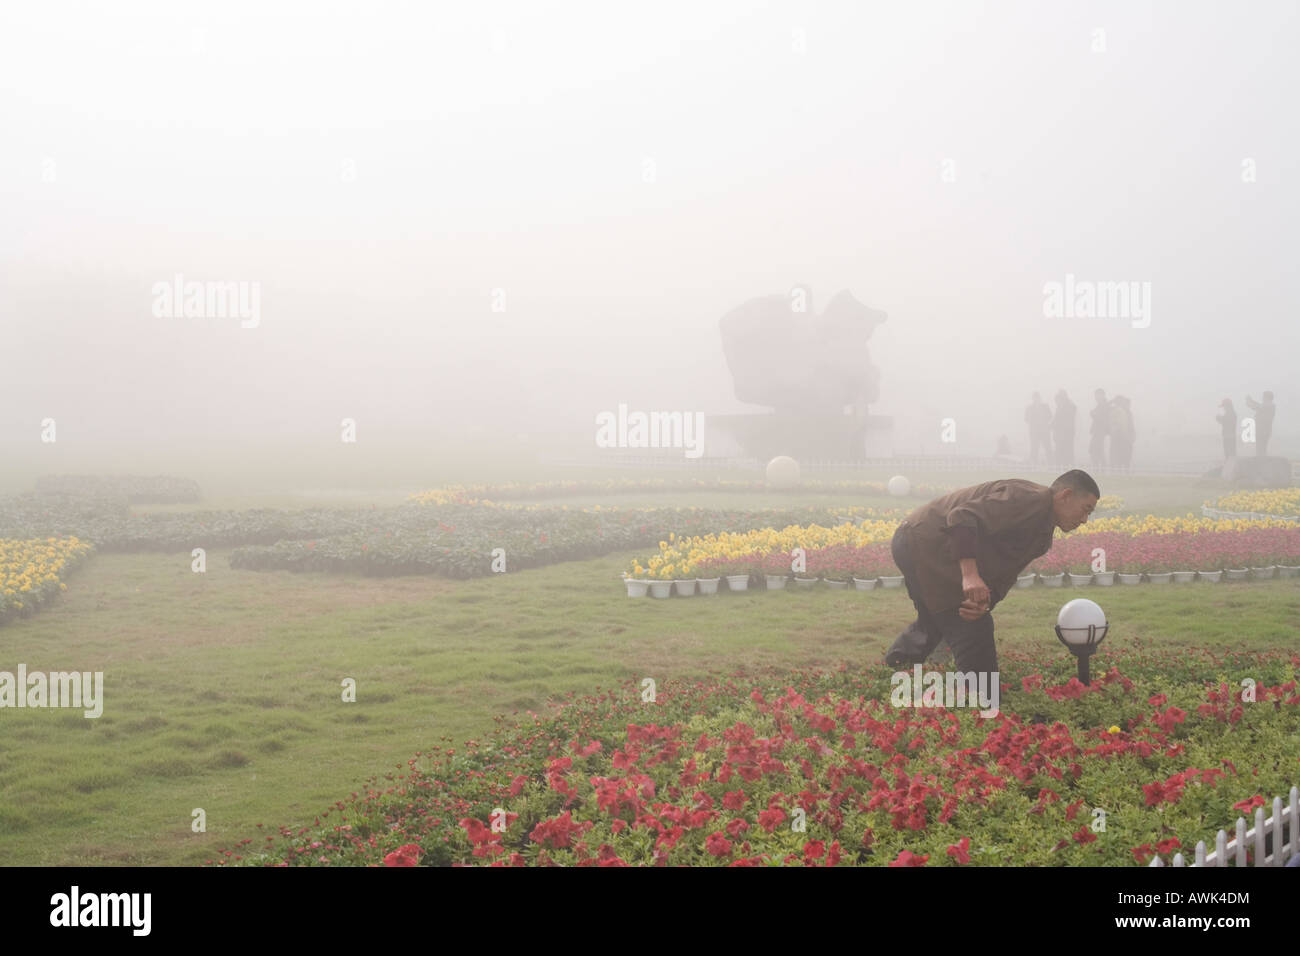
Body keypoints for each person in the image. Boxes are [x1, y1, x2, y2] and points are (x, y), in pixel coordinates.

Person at [883, 470, 1101, 686]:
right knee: (970, 624)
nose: (1084, 520)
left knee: (938, 620)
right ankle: (982, 703)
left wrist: (986, 602)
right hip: (923, 540)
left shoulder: (1043, 535)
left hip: (919, 543)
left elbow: (1004, 576)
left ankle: (889, 676)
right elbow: (961, 517)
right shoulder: (1029, 499)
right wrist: (969, 576)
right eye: (1085, 509)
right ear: (1066, 495)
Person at [1024, 392, 1053, 467]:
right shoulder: (1029, 408)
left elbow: (1050, 415)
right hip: (1034, 432)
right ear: (1033, 399)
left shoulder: (1045, 406)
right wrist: (1033, 420)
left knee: (1048, 448)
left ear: (1040, 398)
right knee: (1034, 448)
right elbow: (1026, 418)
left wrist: (1043, 420)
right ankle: (1034, 464)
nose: (1036, 399)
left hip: (1044, 431)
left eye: (1037, 398)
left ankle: (1050, 463)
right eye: (1035, 398)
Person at [1245, 391, 1276, 456]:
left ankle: (1261, 462)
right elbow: (1259, 405)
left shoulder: (1269, 405)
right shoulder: (1268, 405)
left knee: (1261, 448)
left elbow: (1257, 406)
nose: (1263, 398)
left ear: (1267, 397)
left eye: (1264, 397)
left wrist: (1249, 401)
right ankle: (1261, 461)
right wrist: (1251, 400)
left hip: (1263, 431)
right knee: (1261, 448)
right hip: (1263, 430)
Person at [1109, 396, 1135, 471]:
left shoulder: (1126, 413)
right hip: (1121, 437)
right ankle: (1121, 470)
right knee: (1121, 455)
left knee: (1125, 455)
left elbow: (1130, 426)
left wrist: (1131, 435)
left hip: (1125, 437)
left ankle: (1124, 470)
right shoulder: (1119, 412)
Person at [1052, 390, 1076, 467]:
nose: (1057, 402)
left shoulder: (1070, 407)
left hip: (1066, 433)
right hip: (1060, 434)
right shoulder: (1060, 408)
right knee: (1060, 450)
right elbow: (1056, 420)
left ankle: (1065, 465)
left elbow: (1064, 420)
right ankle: (1060, 465)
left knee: (1066, 450)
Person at [1089, 389, 1110, 468]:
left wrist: (1093, 414)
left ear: (1102, 395)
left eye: (1098, 395)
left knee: (1096, 450)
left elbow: (1102, 419)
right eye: (1096, 395)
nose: (1096, 397)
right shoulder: (1101, 405)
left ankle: (1099, 468)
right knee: (1095, 450)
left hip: (1100, 431)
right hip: (1098, 431)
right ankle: (1098, 467)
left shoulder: (1104, 405)